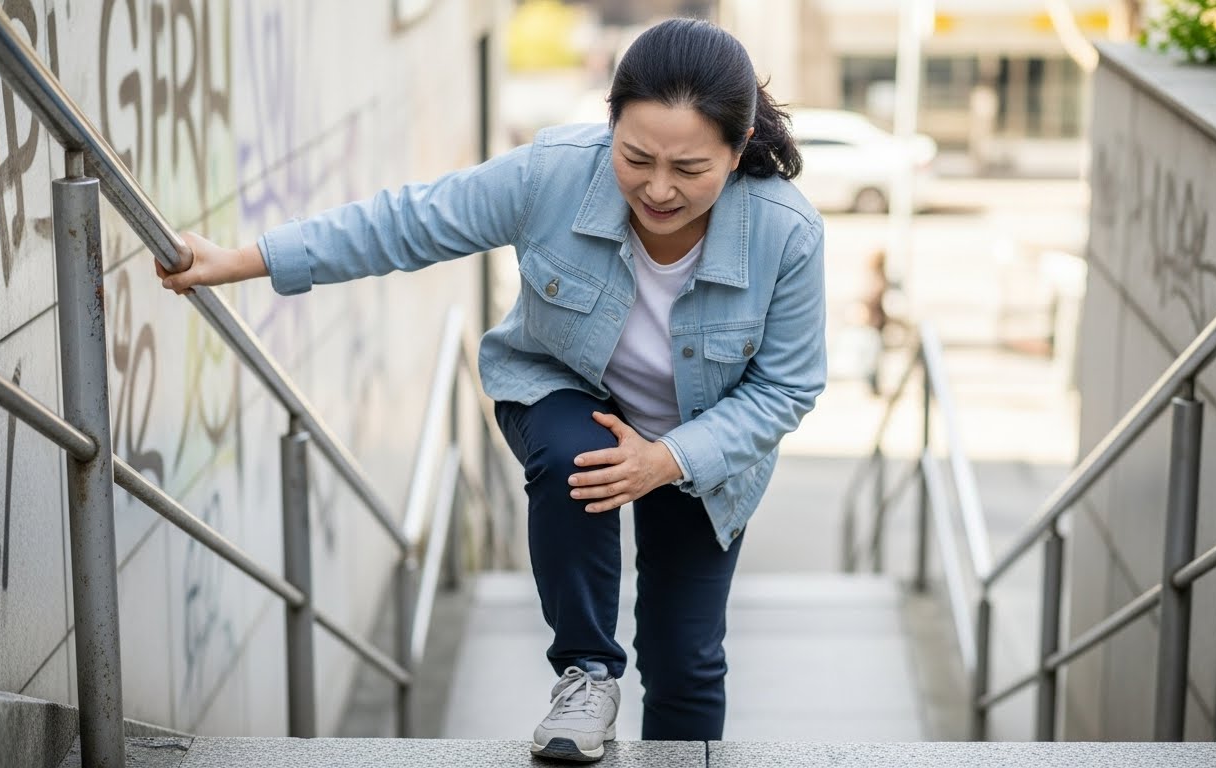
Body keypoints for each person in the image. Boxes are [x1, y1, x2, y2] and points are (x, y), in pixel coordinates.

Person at [157, 17, 825, 763]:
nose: (658, 189)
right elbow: (404, 225)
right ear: (608, 126)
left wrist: (666, 459)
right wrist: (244, 260)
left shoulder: (785, 234)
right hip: (565, 389)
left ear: (735, 155)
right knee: (577, 454)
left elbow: (786, 386)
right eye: (635, 157)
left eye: (690, 168)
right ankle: (586, 674)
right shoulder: (550, 173)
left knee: (686, 656)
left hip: (703, 450)